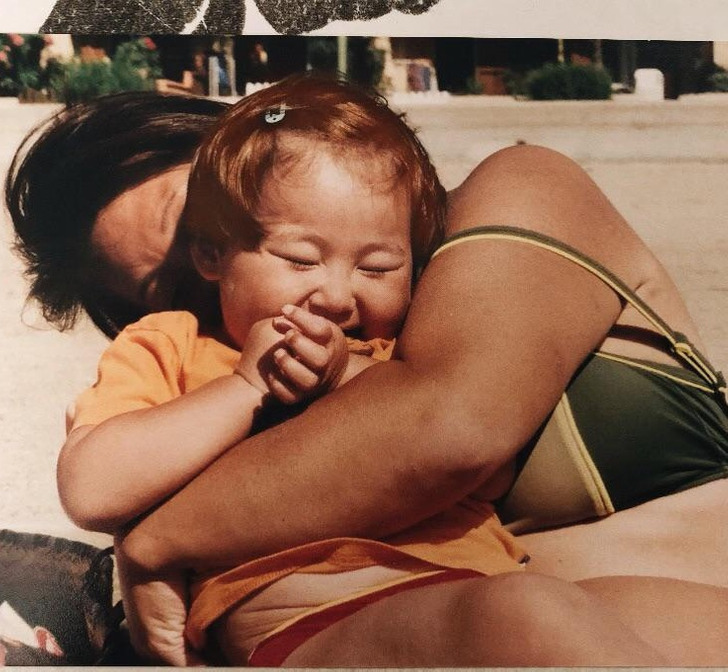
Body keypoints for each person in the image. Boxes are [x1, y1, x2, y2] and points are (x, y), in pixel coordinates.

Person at [6, 83, 728, 665]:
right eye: (180, 283)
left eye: (201, 213)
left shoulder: (522, 189)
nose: (218, 262)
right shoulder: (208, 357)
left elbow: (447, 429)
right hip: (438, 626)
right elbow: (103, 474)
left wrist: (154, 541)